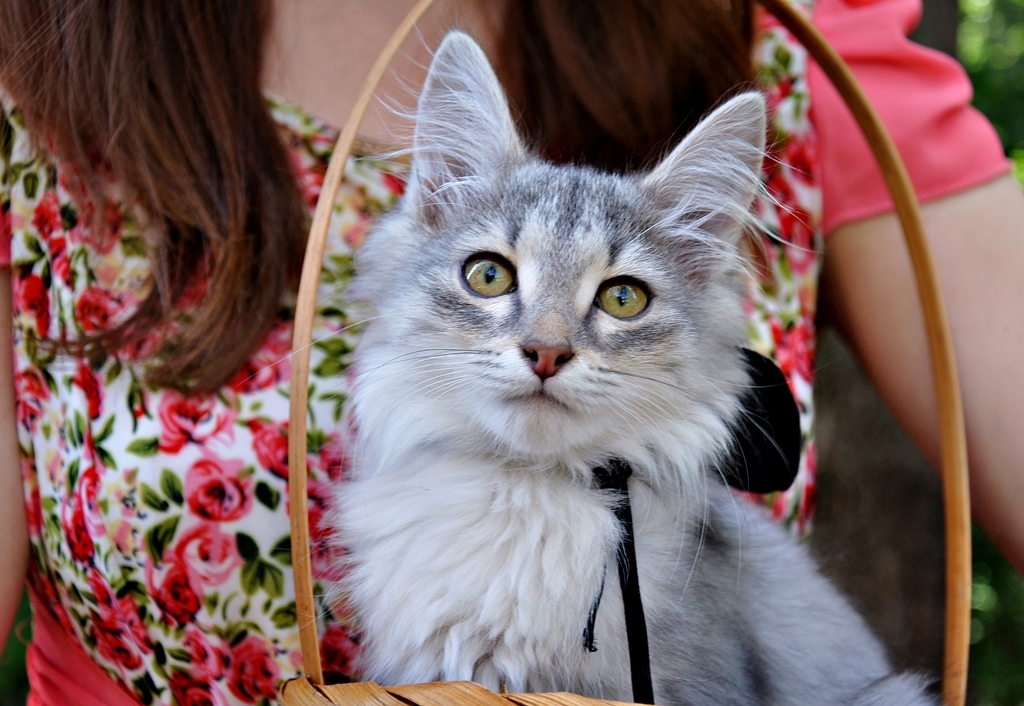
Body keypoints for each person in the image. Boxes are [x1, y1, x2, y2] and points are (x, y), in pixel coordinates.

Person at [0, 0, 1021, 703]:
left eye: (616, 297)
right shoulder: (39, 57)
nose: (545, 345)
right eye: (494, 276)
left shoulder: (792, 40)